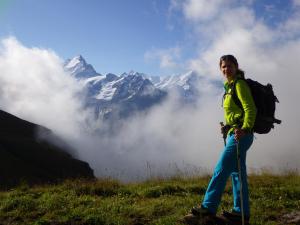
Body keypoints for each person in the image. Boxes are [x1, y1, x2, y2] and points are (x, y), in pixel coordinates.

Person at [183, 55, 257, 225]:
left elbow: (250, 108)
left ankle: (207, 208)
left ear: (236, 66)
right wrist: (228, 126)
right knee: (237, 174)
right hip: (236, 132)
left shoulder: (239, 84)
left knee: (221, 168)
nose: (226, 69)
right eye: (223, 67)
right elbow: (236, 112)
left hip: (241, 135)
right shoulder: (230, 86)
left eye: (229, 66)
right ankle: (241, 213)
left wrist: (245, 128)